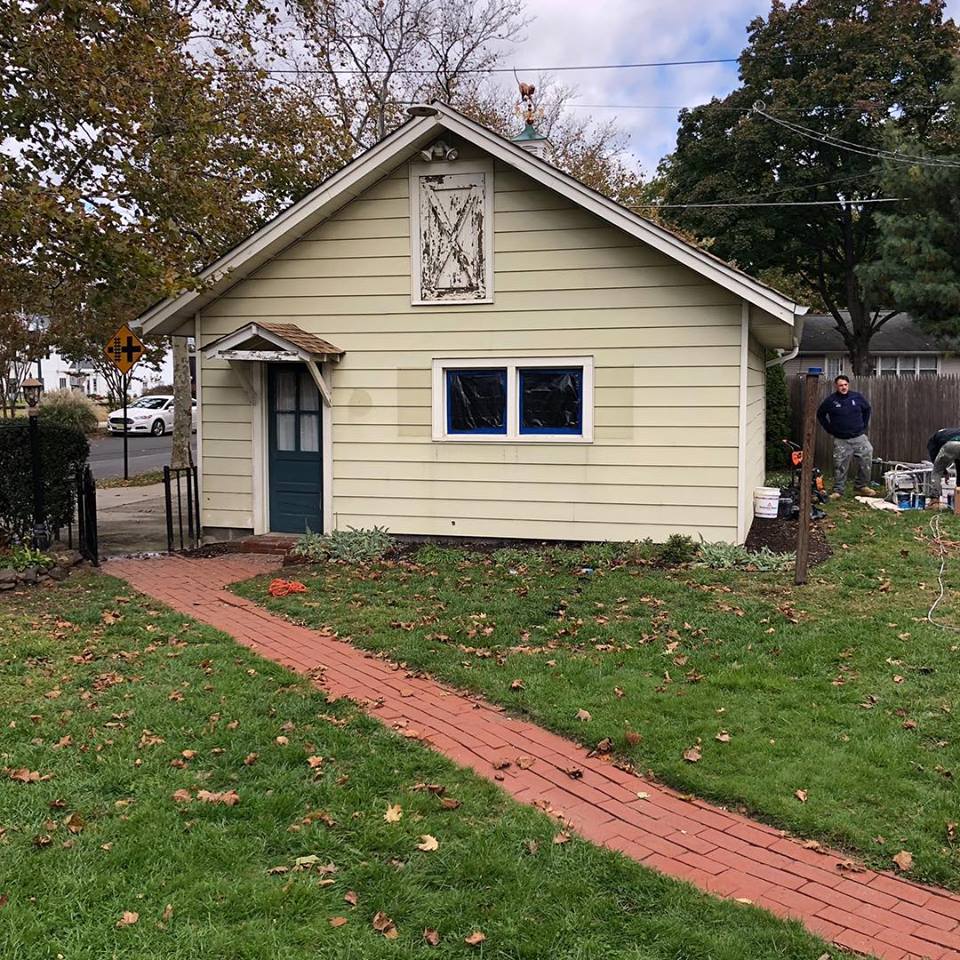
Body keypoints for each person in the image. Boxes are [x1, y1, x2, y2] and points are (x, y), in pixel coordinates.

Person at [816, 375, 876, 499]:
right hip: (841, 440)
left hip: (859, 437)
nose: (843, 387)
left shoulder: (857, 397)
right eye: (840, 385)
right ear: (836, 386)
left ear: (848, 385)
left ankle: (861, 486)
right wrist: (829, 429)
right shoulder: (831, 401)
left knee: (866, 460)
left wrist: (863, 425)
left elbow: (867, 409)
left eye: (845, 385)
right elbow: (820, 414)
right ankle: (838, 490)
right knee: (840, 465)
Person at [927, 427, 960, 505]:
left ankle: (934, 501)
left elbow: (934, 457)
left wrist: (943, 471)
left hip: (951, 445)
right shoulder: (955, 431)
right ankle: (958, 500)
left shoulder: (934, 439)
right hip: (955, 442)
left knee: (937, 472)